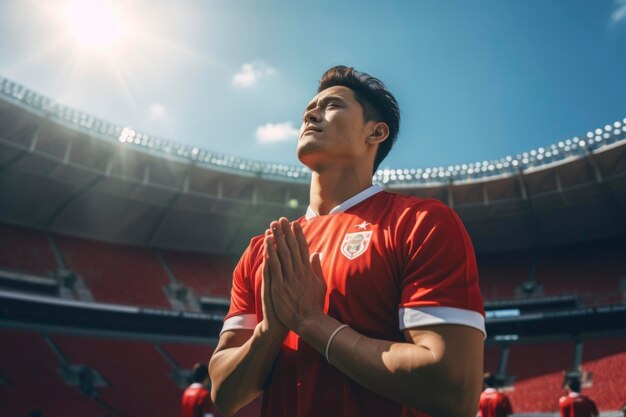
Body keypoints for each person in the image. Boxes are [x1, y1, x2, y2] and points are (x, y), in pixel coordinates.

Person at [209, 65, 485, 417]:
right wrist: (269, 330)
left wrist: (311, 321)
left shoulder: (420, 223)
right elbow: (223, 394)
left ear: (376, 132)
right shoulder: (263, 251)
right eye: (309, 107)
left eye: (332, 105)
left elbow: (453, 391)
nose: (311, 113)